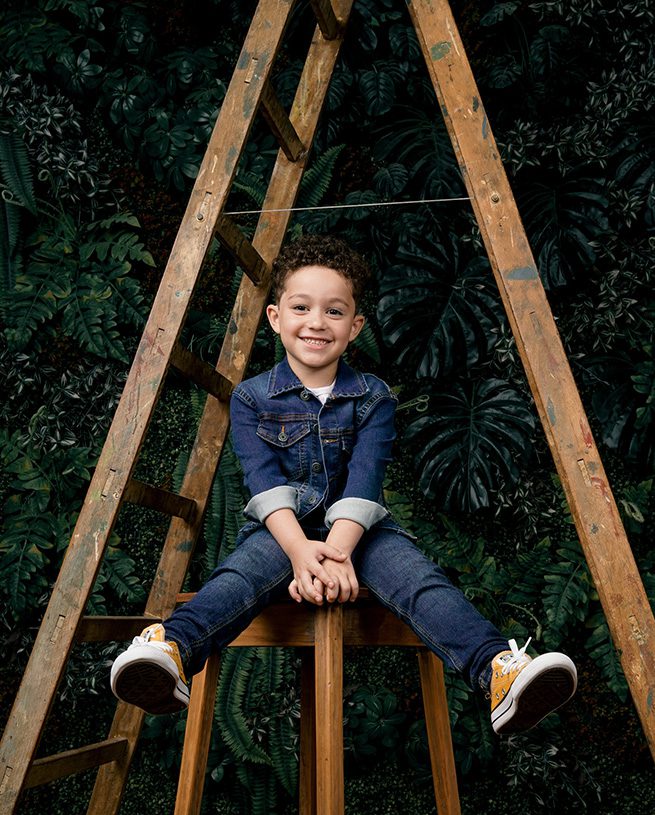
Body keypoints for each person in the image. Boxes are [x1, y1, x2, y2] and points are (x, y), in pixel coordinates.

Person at [110, 234, 577, 735]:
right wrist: (300, 552)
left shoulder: (373, 397)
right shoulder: (250, 398)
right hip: (281, 531)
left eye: (334, 312)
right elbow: (264, 483)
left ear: (355, 327)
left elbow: (365, 479)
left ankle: (498, 673)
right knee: (238, 578)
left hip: (363, 533)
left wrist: (334, 554)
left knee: (421, 582)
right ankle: (171, 651)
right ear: (275, 317)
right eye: (301, 308)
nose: (316, 322)